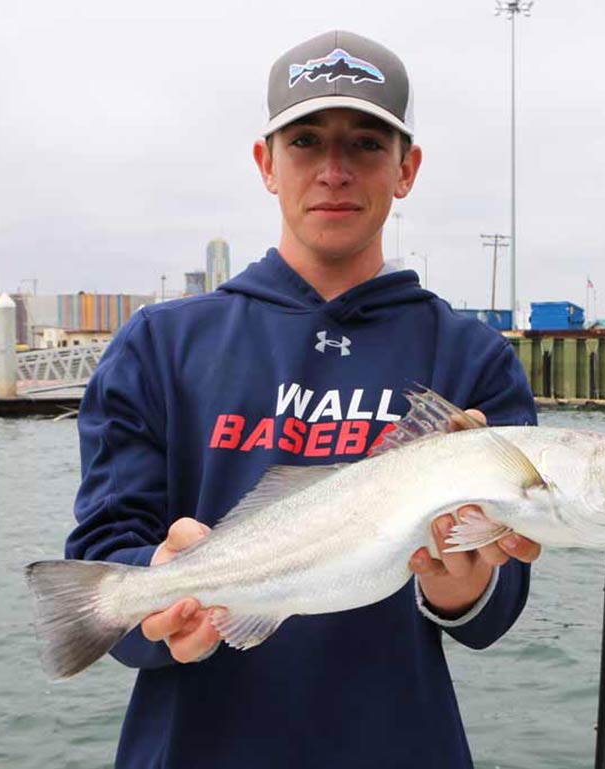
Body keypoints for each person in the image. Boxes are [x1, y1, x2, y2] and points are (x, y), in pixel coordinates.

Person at [67, 29, 539, 769]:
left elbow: (492, 614)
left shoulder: (471, 357)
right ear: (267, 163)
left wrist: (466, 585)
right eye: (307, 141)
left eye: (366, 144)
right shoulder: (159, 344)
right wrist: (158, 596)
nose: (334, 171)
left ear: (406, 167)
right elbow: (99, 560)